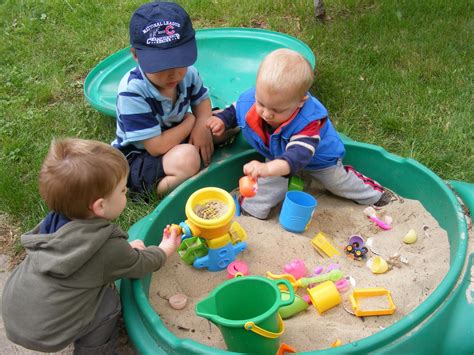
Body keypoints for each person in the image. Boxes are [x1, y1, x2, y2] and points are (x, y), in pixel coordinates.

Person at [2, 138, 182, 354]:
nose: (126, 194)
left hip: (17, 313)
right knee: (109, 301)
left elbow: (106, 258)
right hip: (48, 334)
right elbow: (141, 264)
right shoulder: (106, 248)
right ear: (100, 205)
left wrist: (122, 253)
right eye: (123, 191)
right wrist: (164, 249)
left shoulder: (54, 222)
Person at [207, 48, 393, 219]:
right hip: (276, 154)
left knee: (337, 182)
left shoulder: (309, 122)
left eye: (277, 110)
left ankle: (375, 195)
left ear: (300, 102)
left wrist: (266, 169)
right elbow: (236, 108)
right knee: (267, 184)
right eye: (261, 103)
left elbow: (295, 158)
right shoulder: (252, 100)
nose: (266, 113)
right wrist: (223, 119)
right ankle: (252, 210)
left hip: (318, 159)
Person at [113, 1, 214, 196]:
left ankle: (199, 149)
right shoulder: (132, 91)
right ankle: (147, 191)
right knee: (188, 158)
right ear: (136, 55)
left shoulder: (188, 74)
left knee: (224, 123)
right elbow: (156, 147)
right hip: (142, 155)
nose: (174, 75)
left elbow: (201, 101)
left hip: (176, 136)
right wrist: (192, 121)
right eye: (162, 66)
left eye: (180, 62)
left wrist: (202, 124)